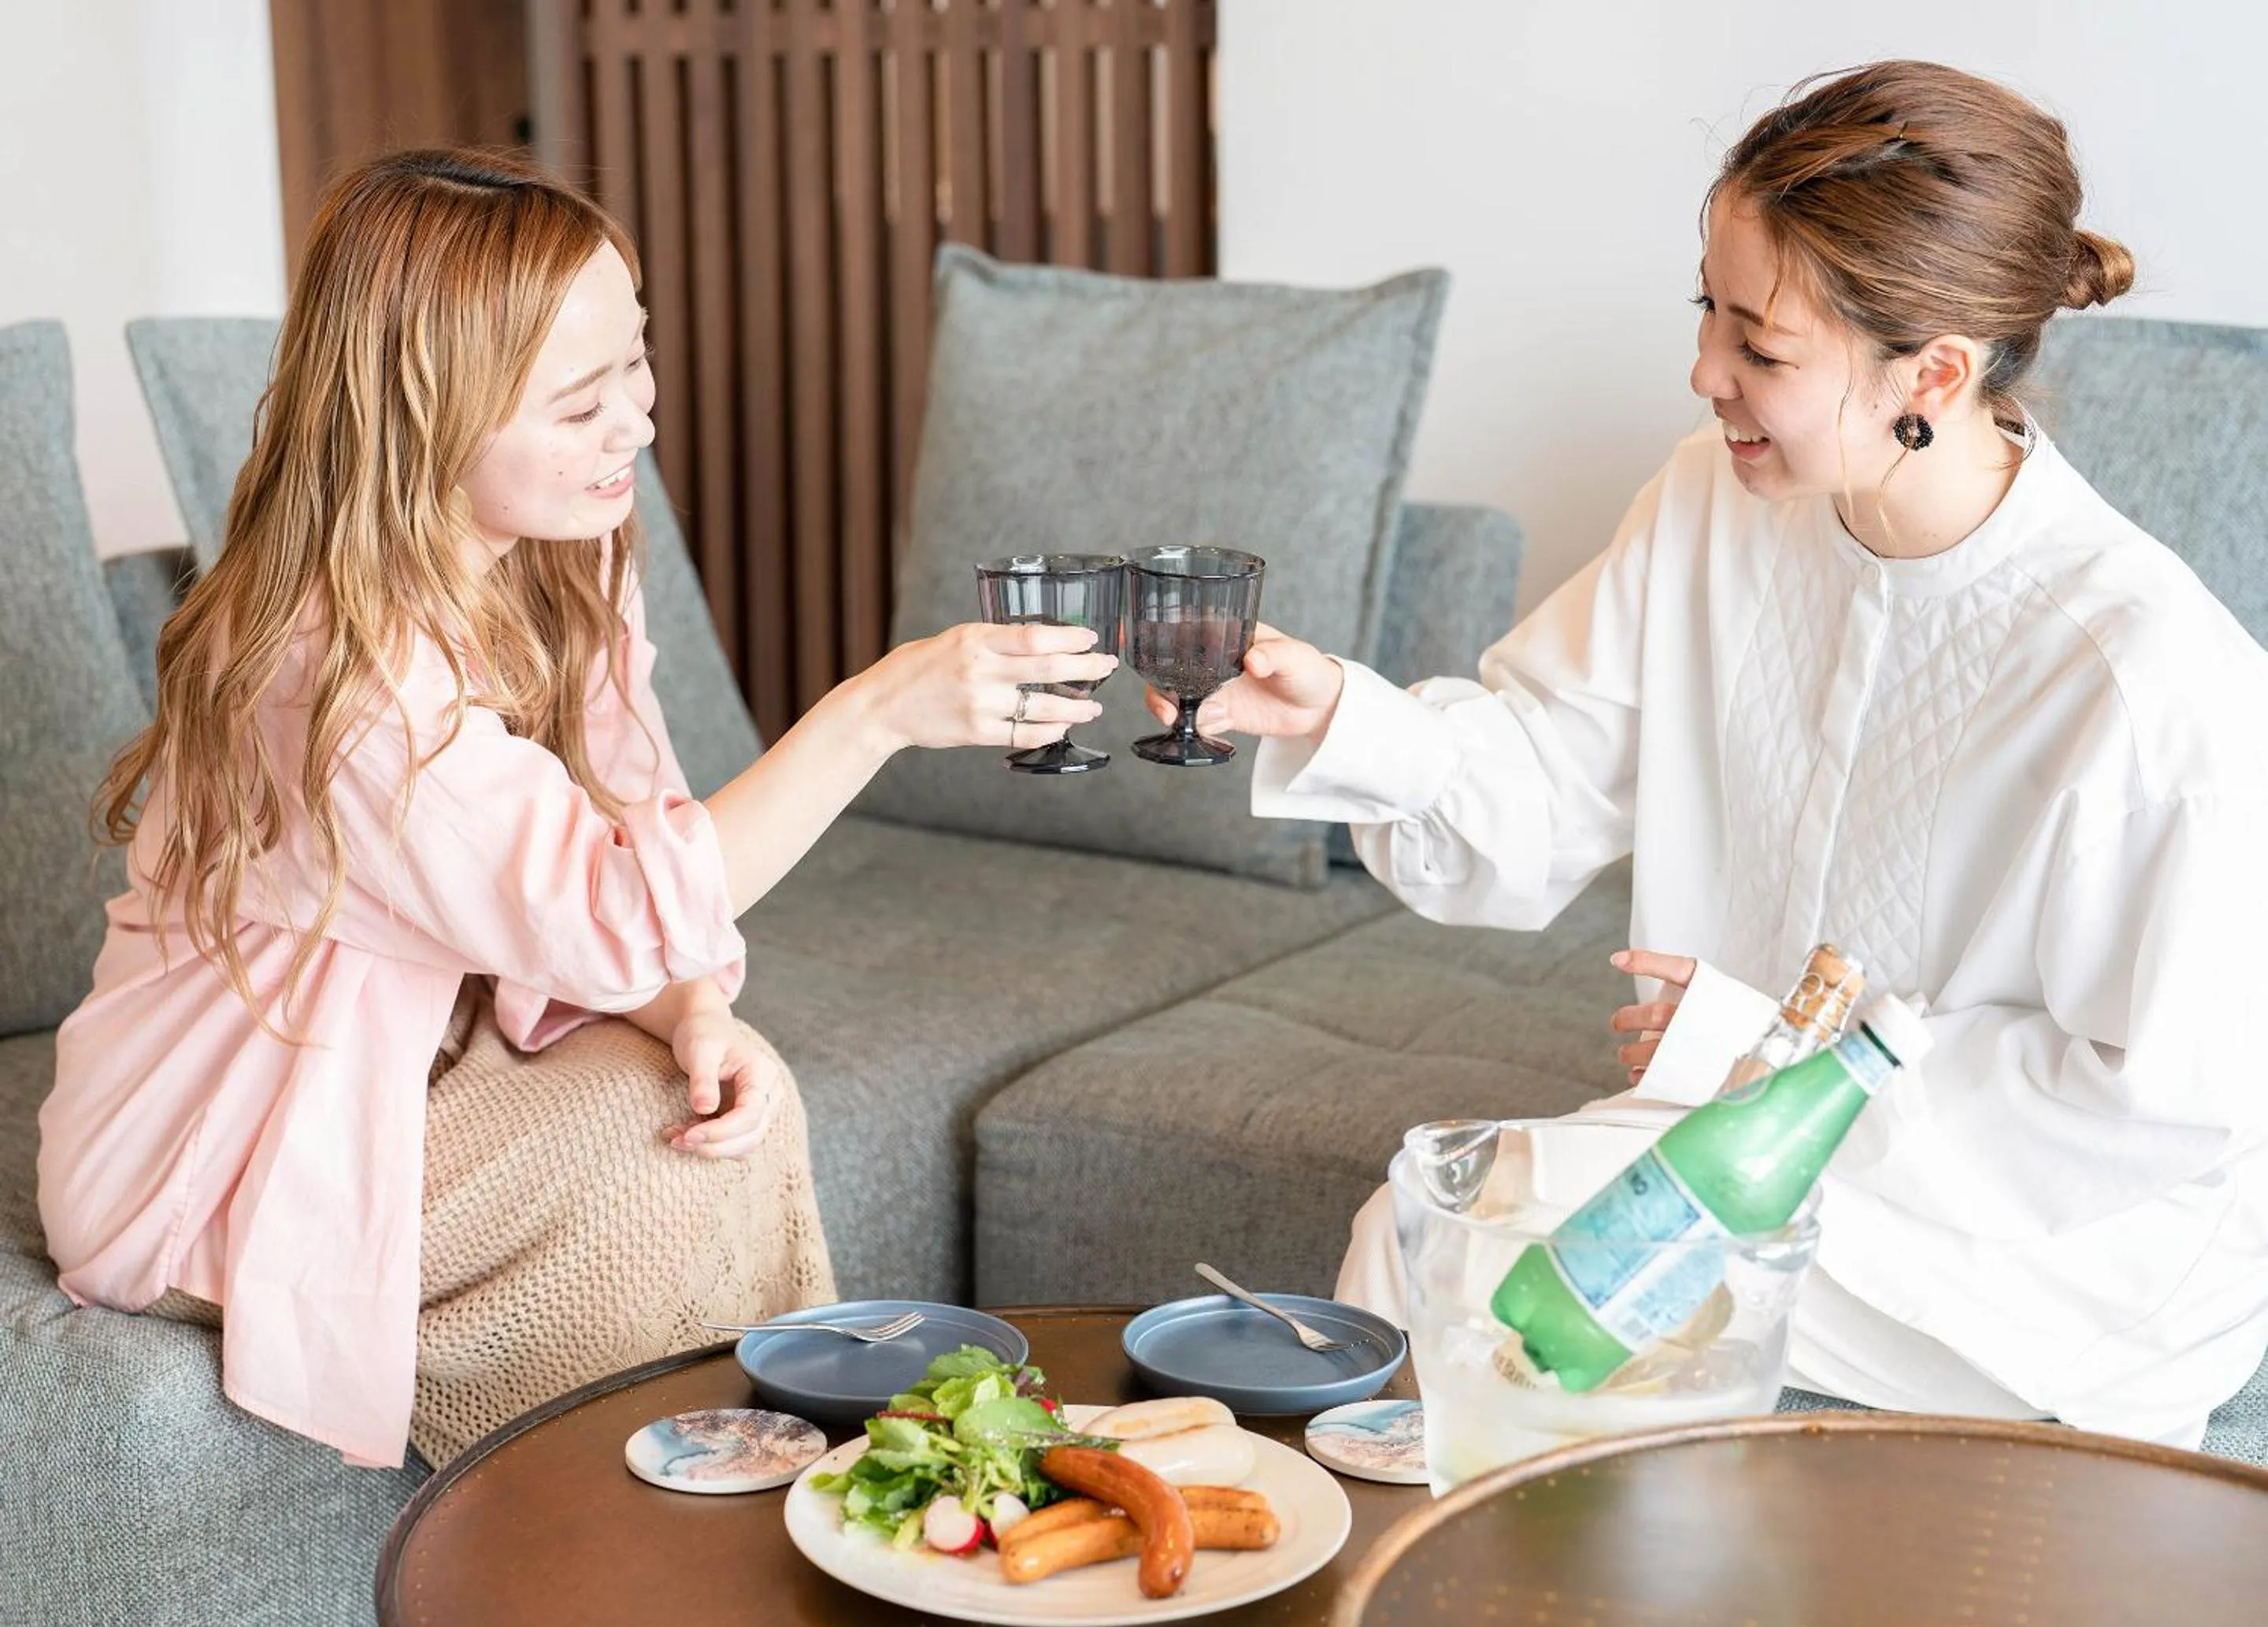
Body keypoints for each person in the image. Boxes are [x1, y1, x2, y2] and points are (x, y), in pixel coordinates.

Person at [1174, 62, 2268, 1447]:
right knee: (1434, 1229)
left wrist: (1775, 1058)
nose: (1706, 376)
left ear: (1929, 373)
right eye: (1709, 308)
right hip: (1748, 1145)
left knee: (1440, 1246)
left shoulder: (2143, 674)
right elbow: (1543, 777)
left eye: (1761, 347)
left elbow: (2161, 1110)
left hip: (2050, 1256)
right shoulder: (1715, 508)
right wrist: (1341, 712)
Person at [36, 149, 1117, 1469]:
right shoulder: (334, 670)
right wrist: (876, 712)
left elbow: (625, 824)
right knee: (650, 1166)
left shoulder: (569, 546)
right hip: (227, 1128)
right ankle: (627, 1542)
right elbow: (609, 910)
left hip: (438, 1036)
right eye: (579, 401)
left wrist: (688, 1007)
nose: (638, 425)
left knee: (722, 1095)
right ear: (422, 418)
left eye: (635, 362)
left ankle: (773, 1489)